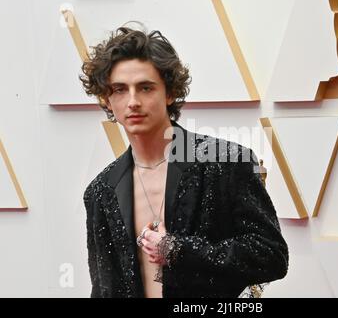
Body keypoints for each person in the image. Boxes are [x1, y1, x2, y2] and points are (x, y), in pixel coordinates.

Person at [79, 24, 289, 298]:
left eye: (145, 87)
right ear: (107, 100)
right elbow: (105, 289)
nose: (132, 101)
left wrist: (180, 250)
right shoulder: (100, 191)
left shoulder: (225, 163)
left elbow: (272, 256)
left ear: (169, 93)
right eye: (119, 89)